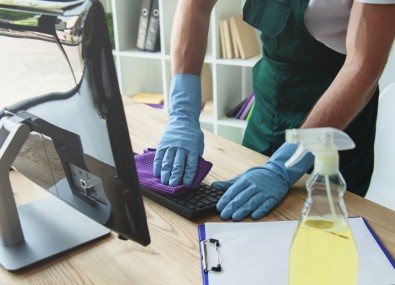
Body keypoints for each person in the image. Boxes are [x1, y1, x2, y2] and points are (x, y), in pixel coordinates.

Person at [153, 0, 395, 221]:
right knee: (237, 223)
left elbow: (363, 65)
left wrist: (286, 164)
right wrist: (182, 113)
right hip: (268, 104)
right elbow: (195, 5)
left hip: (335, 117)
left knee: (319, 237)